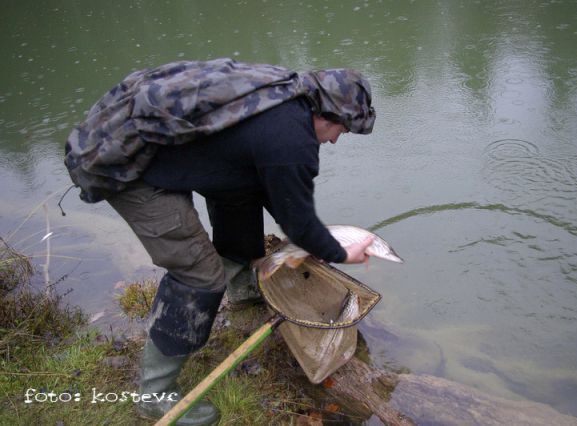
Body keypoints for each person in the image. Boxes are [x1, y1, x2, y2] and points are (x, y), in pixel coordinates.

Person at [64, 58, 376, 425]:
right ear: (325, 114)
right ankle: (154, 394)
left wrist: (309, 240)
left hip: (154, 150)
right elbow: (298, 217)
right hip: (129, 171)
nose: (337, 139)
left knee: (241, 194)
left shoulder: (284, 92)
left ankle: (243, 289)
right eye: (342, 129)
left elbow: (276, 193)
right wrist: (339, 252)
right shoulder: (292, 141)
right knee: (198, 275)